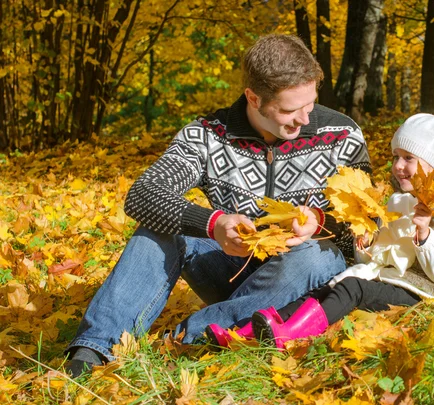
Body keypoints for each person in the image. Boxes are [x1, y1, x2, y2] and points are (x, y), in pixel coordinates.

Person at [65, 34, 371, 376]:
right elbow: (143, 194)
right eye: (288, 110)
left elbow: (365, 223)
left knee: (317, 254)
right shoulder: (209, 135)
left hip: (302, 280)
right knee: (158, 229)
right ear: (253, 98)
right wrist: (213, 223)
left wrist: (318, 221)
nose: (302, 119)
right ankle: (92, 352)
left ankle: (185, 339)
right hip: (231, 267)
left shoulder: (342, 135)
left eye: (310, 104)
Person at [241, 113, 434, 349]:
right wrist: (367, 246)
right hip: (392, 280)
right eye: (395, 156)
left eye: (408, 158)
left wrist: (425, 234)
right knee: (328, 287)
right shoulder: (399, 202)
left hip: (432, 294)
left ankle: (293, 335)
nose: (398, 166)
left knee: (353, 288)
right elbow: (379, 259)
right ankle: (258, 327)